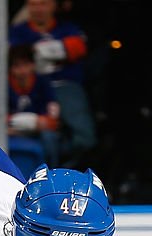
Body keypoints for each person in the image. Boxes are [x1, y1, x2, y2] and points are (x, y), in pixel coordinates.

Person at [9, 0, 96, 165]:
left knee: (85, 138)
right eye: (33, 4)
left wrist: (37, 50)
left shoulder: (67, 28)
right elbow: (13, 57)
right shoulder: (18, 32)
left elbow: (79, 47)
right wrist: (59, 50)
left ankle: (63, 170)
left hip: (64, 86)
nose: (38, 9)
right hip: (32, 89)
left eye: (43, 3)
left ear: (54, 5)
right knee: (40, 136)